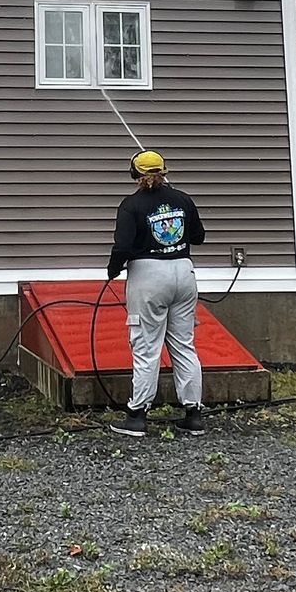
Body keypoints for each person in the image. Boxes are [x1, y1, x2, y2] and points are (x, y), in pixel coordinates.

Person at [106, 150, 206, 438]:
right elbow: (198, 237)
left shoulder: (131, 205)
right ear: (164, 171)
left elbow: (122, 246)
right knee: (184, 344)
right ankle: (193, 414)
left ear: (134, 174)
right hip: (184, 273)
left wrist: (113, 270)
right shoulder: (183, 199)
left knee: (147, 347)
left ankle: (137, 415)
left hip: (148, 275)